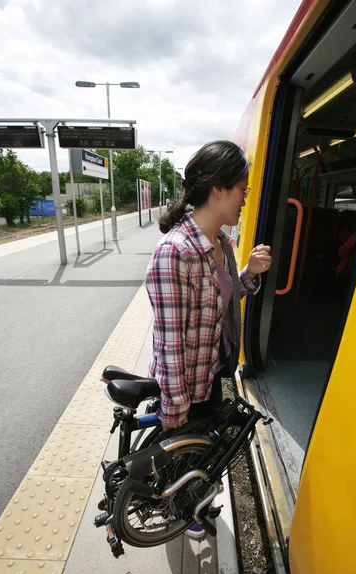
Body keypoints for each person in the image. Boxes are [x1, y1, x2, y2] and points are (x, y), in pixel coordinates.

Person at [145, 140, 272, 538]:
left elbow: (226, 296)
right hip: (185, 386)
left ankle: (192, 504)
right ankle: (180, 514)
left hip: (212, 371)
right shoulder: (175, 253)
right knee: (182, 458)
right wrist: (175, 405)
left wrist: (248, 272)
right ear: (218, 188)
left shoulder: (223, 243)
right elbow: (169, 342)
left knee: (204, 452)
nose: (245, 200)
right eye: (242, 190)